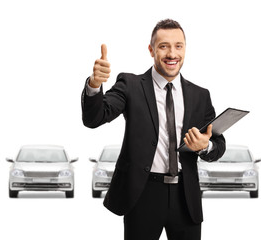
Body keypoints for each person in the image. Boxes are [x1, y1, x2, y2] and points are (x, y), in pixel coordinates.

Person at [82, 19, 226, 240]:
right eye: (163, 46)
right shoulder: (130, 85)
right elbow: (95, 118)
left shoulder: (200, 95)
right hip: (143, 194)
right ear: (151, 50)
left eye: (178, 46)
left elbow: (218, 146)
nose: (172, 53)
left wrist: (205, 146)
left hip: (185, 198)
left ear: (185, 49)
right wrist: (94, 85)